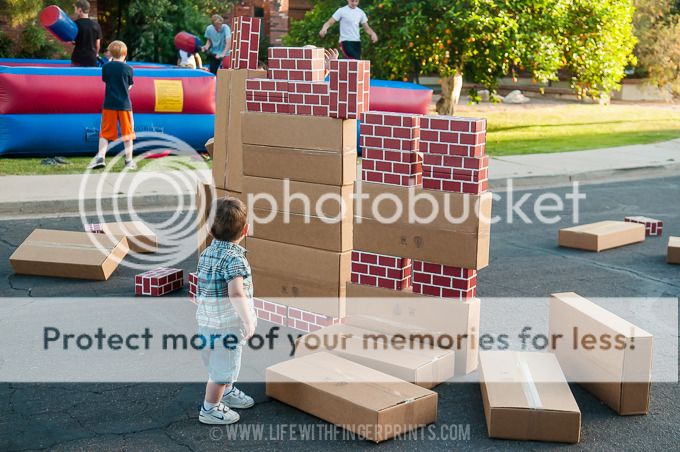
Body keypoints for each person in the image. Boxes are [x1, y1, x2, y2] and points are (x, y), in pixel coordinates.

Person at [195, 197, 257, 425]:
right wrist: (248, 321)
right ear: (246, 230)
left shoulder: (206, 254)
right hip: (227, 328)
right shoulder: (235, 259)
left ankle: (227, 392)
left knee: (218, 365)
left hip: (206, 324)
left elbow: (203, 283)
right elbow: (236, 293)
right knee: (221, 373)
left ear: (210, 230)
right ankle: (209, 409)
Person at [87, 41, 136, 170]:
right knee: (128, 133)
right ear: (125, 54)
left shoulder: (106, 67)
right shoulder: (129, 69)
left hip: (109, 104)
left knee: (105, 133)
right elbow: (129, 86)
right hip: (124, 105)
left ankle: (100, 158)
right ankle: (129, 161)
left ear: (111, 53)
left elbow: (106, 81)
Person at [70, 0, 102, 67]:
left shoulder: (74, 24)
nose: (74, 10)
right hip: (91, 58)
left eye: (75, 8)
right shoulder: (96, 25)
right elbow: (97, 45)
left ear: (79, 10)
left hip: (77, 58)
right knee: (90, 77)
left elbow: (71, 41)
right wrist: (95, 54)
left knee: (74, 77)